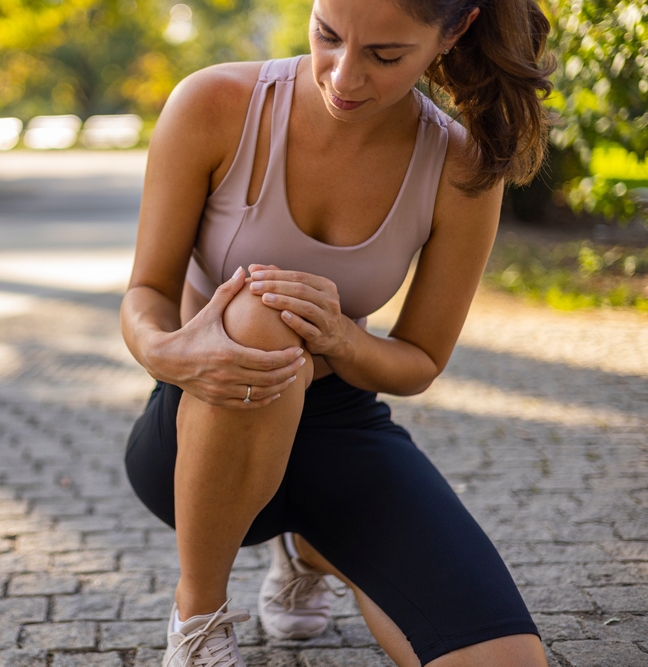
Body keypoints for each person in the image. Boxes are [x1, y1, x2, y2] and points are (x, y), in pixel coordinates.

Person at [120, 0, 555, 665]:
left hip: (340, 426)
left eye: (385, 56)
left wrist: (343, 340)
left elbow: (420, 360)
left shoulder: (460, 165)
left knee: (505, 660)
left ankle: (311, 544)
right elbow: (146, 292)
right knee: (263, 310)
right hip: (200, 423)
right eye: (327, 35)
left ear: (454, 31)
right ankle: (200, 612)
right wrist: (167, 352)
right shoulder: (213, 104)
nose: (344, 78)